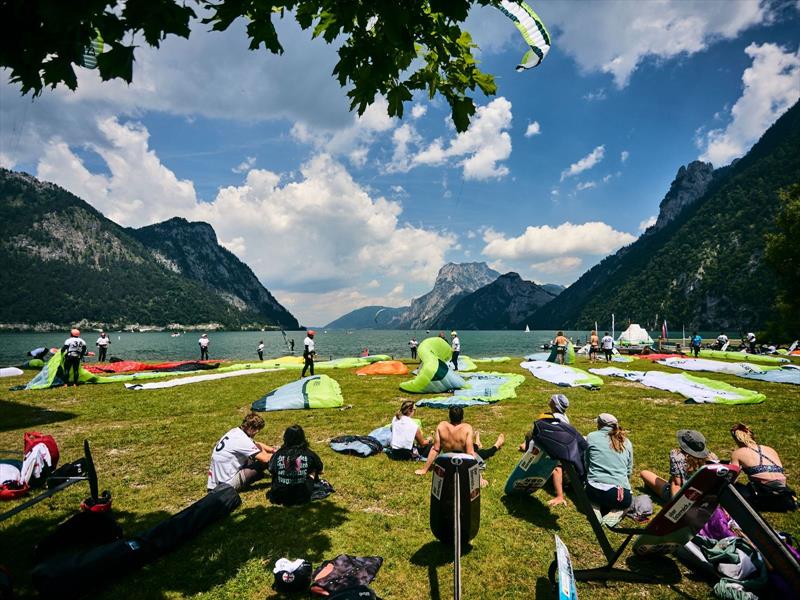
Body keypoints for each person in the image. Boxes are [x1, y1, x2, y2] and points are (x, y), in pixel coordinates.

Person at [415, 406, 504, 482]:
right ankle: (496, 445)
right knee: (484, 453)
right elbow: (470, 454)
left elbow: (435, 449)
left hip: (448, 460)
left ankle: (482, 442)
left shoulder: (441, 426)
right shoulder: (467, 428)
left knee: (475, 447)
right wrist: (479, 478)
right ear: (462, 417)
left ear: (449, 416)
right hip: (463, 460)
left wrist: (424, 469)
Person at [729, 423, 796, 511]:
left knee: (732, 488)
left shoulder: (738, 453)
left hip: (763, 491)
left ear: (736, 439)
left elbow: (732, 477)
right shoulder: (770, 449)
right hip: (782, 487)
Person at [519, 394, 571, 507]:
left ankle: (559, 496)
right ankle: (527, 448)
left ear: (554, 404)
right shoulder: (564, 417)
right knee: (530, 435)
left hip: (564, 473)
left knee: (556, 466)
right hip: (568, 463)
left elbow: (557, 466)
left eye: (552, 399)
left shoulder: (550, 419)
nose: (550, 399)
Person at [640, 430, 719, 501]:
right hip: (705, 496)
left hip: (684, 497)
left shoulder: (676, 455)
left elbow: (677, 483)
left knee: (644, 473)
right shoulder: (712, 457)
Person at [207, 412, 275, 491]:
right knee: (264, 462)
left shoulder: (236, 432)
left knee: (257, 452)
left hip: (215, 482)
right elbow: (265, 459)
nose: (257, 432)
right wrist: (281, 454)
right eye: (257, 430)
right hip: (225, 485)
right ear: (252, 428)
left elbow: (256, 444)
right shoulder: (242, 440)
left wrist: (273, 450)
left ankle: (258, 475)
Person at [584, 413, 633, 513]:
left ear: (600, 425)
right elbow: (628, 470)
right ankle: (615, 513)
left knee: (593, 501)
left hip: (594, 490)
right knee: (622, 505)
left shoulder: (592, 436)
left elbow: (587, 462)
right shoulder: (626, 442)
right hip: (621, 496)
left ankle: (595, 511)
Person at [268, 425, 324, 506]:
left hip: (279, 496)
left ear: (285, 438)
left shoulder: (278, 453)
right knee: (314, 469)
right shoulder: (309, 453)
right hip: (302, 496)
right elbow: (321, 469)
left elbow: (271, 470)